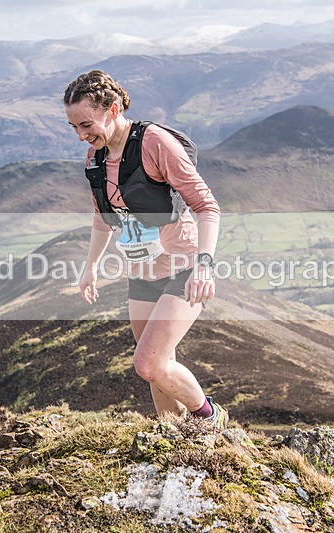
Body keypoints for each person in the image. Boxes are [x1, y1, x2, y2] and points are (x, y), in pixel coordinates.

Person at [63, 69, 228, 428]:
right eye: (74, 127)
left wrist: (204, 267)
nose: (81, 136)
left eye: (86, 124)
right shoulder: (95, 158)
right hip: (142, 272)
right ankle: (175, 438)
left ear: (114, 108)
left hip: (183, 266)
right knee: (156, 368)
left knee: (148, 363)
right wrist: (90, 266)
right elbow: (102, 218)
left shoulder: (154, 143)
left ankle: (209, 418)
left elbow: (206, 206)